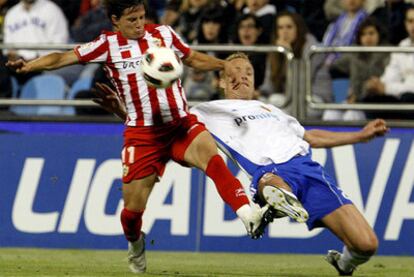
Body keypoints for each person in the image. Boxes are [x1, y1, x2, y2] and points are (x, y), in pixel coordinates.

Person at [6, 0, 268, 274]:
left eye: (142, 17)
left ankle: (247, 213)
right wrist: (30, 66)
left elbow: (191, 57)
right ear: (115, 20)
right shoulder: (107, 45)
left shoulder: (164, 34)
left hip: (179, 123)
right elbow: (62, 58)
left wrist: (222, 65)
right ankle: (135, 243)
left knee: (211, 157)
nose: (139, 24)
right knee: (132, 213)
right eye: (132, 20)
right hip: (143, 135)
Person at [95, 52, 388, 276]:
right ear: (220, 81)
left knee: (366, 245)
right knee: (271, 184)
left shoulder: (274, 110)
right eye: (232, 73)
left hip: (309, 171)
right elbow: (160, 129)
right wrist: (122, 110)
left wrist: (360, 136)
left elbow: (310, 136)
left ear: (254, 80)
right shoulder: (206, 111)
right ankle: (266, 203)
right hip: (269, 172)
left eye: (247, 72)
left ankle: (342, 264)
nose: (241, 77)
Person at [363, 5, 414, 119]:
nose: (413, 26)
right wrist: (377, 84)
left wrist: (387, 88)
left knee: (408, 98)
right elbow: (389, 76)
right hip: (400, 96)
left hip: (409, 98)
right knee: (371, 100)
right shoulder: (402, 46)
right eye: (410, 21)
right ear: (405, 24)